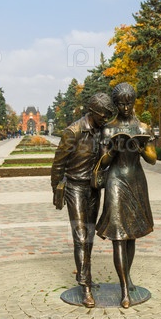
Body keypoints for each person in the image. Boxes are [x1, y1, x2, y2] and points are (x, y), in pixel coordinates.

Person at [51, 93, 115, 308]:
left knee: (89, 234)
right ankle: (85, 286)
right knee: (80, 236)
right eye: (103, 115)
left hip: (93, 188)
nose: (106, 118)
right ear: (93, 112)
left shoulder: (102, 130)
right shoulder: (73, 132)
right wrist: (56, 190)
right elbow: (58, 164)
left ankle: (86, 275)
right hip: (75, 188)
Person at [95, 83, 157, 309]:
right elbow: (102, 162)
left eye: (129, 103)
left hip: (136, 181)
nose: (125, 107)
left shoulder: (143, 127)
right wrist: (113, 149)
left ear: (134, 101)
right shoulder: (108, 129)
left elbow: (152, 159)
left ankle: (127, 277)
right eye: (121, 104)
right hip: (115, 181)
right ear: (115, 104)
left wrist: (140, 147)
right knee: (119, 235)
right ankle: (123, 289)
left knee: (131, 234)